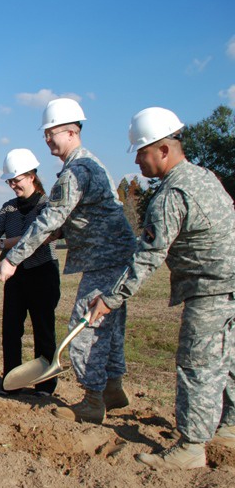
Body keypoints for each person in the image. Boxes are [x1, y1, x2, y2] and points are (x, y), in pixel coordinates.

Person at [89, 107, 235, 469]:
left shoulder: (171, 195)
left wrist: (111, 299)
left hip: (210, 288)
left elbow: (148, 257)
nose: (138, 161)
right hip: (230, 283)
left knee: (197, 363)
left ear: (164, 150)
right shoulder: (206, 177)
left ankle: (191, 447)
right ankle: (230, 427)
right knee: (228, 360)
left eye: (142, 152)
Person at [0, 98, 137, 424]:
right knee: (109, 328)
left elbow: (48, 222)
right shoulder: (91, 164)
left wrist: (12, 258)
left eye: (51, 133)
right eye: (45, 133)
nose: (46, 140)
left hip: (104, 259)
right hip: (118, 256)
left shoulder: (74, 172)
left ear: (71, 132)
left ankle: (92, 399)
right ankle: (112, 387)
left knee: (83, 329)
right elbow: (72, 222)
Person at [0, 149, 60, 395]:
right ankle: (11, 381)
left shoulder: (46, 205)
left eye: (16, 180)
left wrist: (2, 245)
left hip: (42, 271)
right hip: (15, 276)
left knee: (43, 330)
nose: (12, 185)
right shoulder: (8, 208)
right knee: (10, 329)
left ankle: (45, 385)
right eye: (9, 181)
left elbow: (40, 237)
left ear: (31, 176)